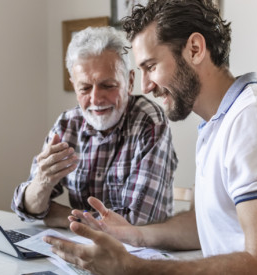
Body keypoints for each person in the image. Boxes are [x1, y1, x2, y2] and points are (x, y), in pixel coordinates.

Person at [44, 0, 257, 274]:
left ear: (195, 49)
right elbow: (205, 223)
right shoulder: (218, 124)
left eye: (151, 66)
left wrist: (133, 268)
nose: (146, 86)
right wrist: (135, 235)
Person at [11, 26, 178, 229]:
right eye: (85, 88)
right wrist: (42, 182)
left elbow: (136, 224)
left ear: (130, 81)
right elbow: (26, 209)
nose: (96, 99)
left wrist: (58, 215)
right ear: (74, 86)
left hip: (140, 255)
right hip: (82, 247)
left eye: (108, 86)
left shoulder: (150, 123)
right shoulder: (67, 124)